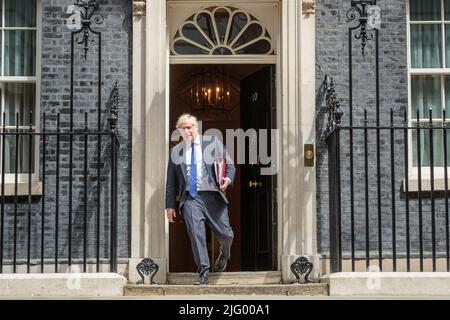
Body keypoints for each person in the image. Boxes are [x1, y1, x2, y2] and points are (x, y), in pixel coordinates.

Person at [165, 113, 235, 285]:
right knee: (196, 234)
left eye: (190, 127)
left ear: (196, 127)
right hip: (191, 197)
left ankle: (224, 254)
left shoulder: (212, 142)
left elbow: (230, 165)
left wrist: (227, 179)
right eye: (183, 128)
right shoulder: (175, 151)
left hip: (213, 195)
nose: (187, 130)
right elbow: (171, 182)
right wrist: (169, 206)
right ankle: (203, 272)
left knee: (226, 234)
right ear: (179, 131)